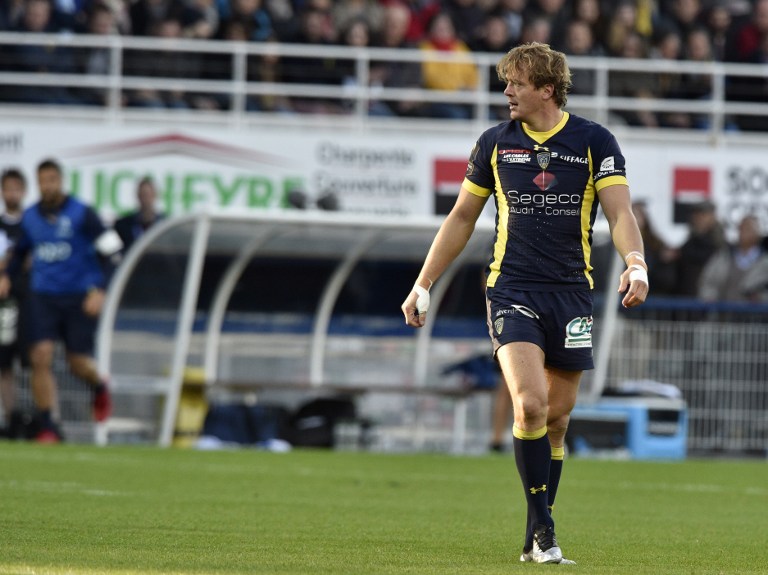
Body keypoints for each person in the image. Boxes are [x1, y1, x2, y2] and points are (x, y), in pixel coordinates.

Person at [401, 42, 648, 565]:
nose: (506, 91)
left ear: (547, 89)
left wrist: (635, 262)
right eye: (506, 81)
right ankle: (543, 530)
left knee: (556, 420)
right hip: (511, 290)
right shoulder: (494, 143)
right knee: (530, 404)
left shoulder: (593, 141)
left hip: (572, 295)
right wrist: (423, 283)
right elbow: (461, 219)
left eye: (516, 82)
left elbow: (620, 213)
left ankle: (537, 534)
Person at [0, 158, 123, 443]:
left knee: (77, 363)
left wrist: (101, 290)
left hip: (78, 298)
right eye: (43, 181)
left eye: (52, 180)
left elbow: (113, 252)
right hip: (43, 297)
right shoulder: (31, 218)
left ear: (61, 181)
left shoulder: (82, 214)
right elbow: (20, 254)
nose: (47, 186)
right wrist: (7, 274)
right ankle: (48, 425)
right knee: (40, 356)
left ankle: (99, 384)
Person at [0, 168, 29, 439]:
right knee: (4, 362)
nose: (12, 193)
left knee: (33, 360)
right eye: (7, 188)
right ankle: (12, 418)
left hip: (32, 301)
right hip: (5, 306)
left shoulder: (32, 223)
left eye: (16, 188)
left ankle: (40, 418)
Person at [698, 214, 768, 302]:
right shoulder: (723, 256)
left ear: (759, 233)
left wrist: (761, 298)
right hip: (724, 312)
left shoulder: (764, 261)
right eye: (741, 228)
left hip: (756, 314)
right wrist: (710, 298)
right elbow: (708, 282)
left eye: (749, 229)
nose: (743, 232)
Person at [114, 176, 165, 254]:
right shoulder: (123, 225)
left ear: (155, 195)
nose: (146, 199)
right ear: (138, 196)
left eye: (148, 195)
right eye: (143, 195)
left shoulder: (164, 224)